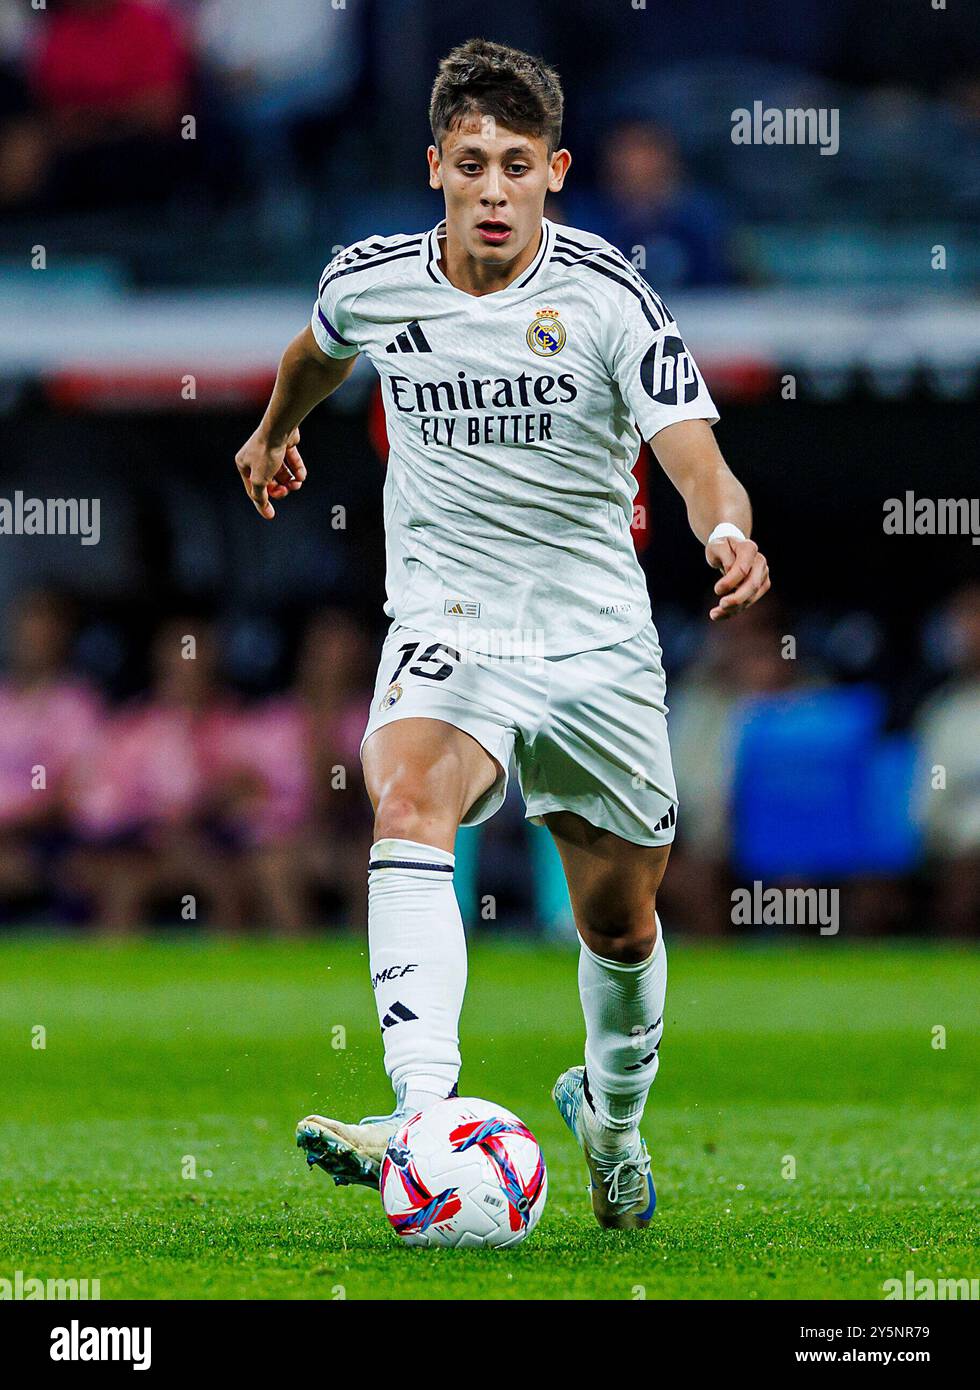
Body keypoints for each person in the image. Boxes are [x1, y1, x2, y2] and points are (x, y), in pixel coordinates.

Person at [234, 39, 770, 1230]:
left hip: (593, 646)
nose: (490, 189)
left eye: (515, 167)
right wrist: (274, 433)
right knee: (407, 794)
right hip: (447, 619)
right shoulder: (375, 281)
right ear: (433, 166)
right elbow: (313, 351)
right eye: (468, 164)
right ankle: (422, 1111)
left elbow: (697, 460)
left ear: (554, 172)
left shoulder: (609, 299)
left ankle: (613, 1121)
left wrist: (725, 532)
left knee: (618, 924)